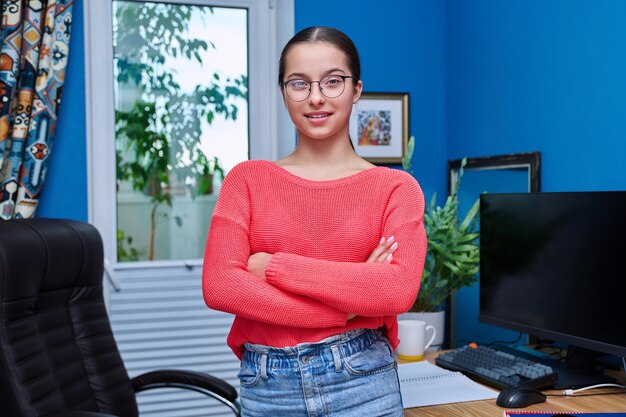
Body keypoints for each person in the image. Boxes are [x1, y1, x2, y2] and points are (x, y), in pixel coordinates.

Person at [202, 26, 427, 417]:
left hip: (364, 382)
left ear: (356, 89)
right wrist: (350, 307)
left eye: (333, 82)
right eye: (299, 84)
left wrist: (270, 266)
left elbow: (396, 291)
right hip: (268, 385)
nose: (316, 98)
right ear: (283, 92)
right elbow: (220, 285)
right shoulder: (247, 180)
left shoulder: (396, 188)